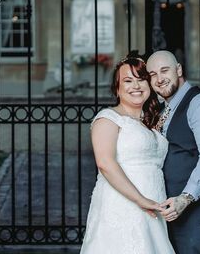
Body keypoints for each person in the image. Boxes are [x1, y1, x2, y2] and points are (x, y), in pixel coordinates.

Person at [80, 56, 176, 254]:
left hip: (153, 203)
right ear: (117, 88)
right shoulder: (108, 119)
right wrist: (140, 200)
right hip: (123, 204)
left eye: (141, 79)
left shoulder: (150, 123)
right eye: (128, 80)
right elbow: (105, 163)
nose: (136, 86)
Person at [147, 50, 200, 254]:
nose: (159, 79)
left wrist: (185, 198)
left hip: (196, 212)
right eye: (152, 74)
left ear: (179, 69)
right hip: (168, 211)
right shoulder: (164, 109)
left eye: (164, 70)